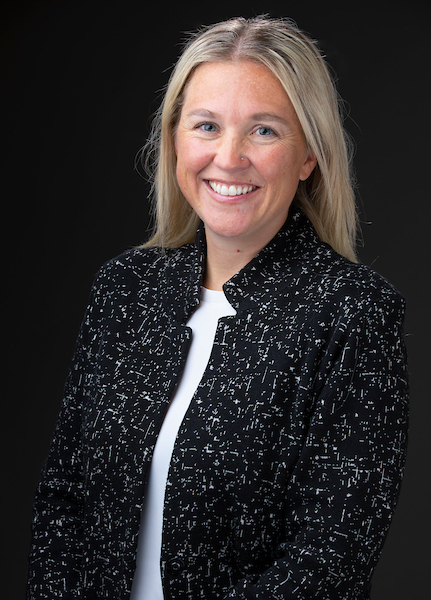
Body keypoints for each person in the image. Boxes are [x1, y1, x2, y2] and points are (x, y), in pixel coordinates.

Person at [27, 16, 408, 600]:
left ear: (308, 154)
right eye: (207, 125)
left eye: (263, 131)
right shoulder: (124, 290)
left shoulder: (353, 314)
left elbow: (330, 558)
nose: (228, 158)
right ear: (176, 138)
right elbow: (64, 500)